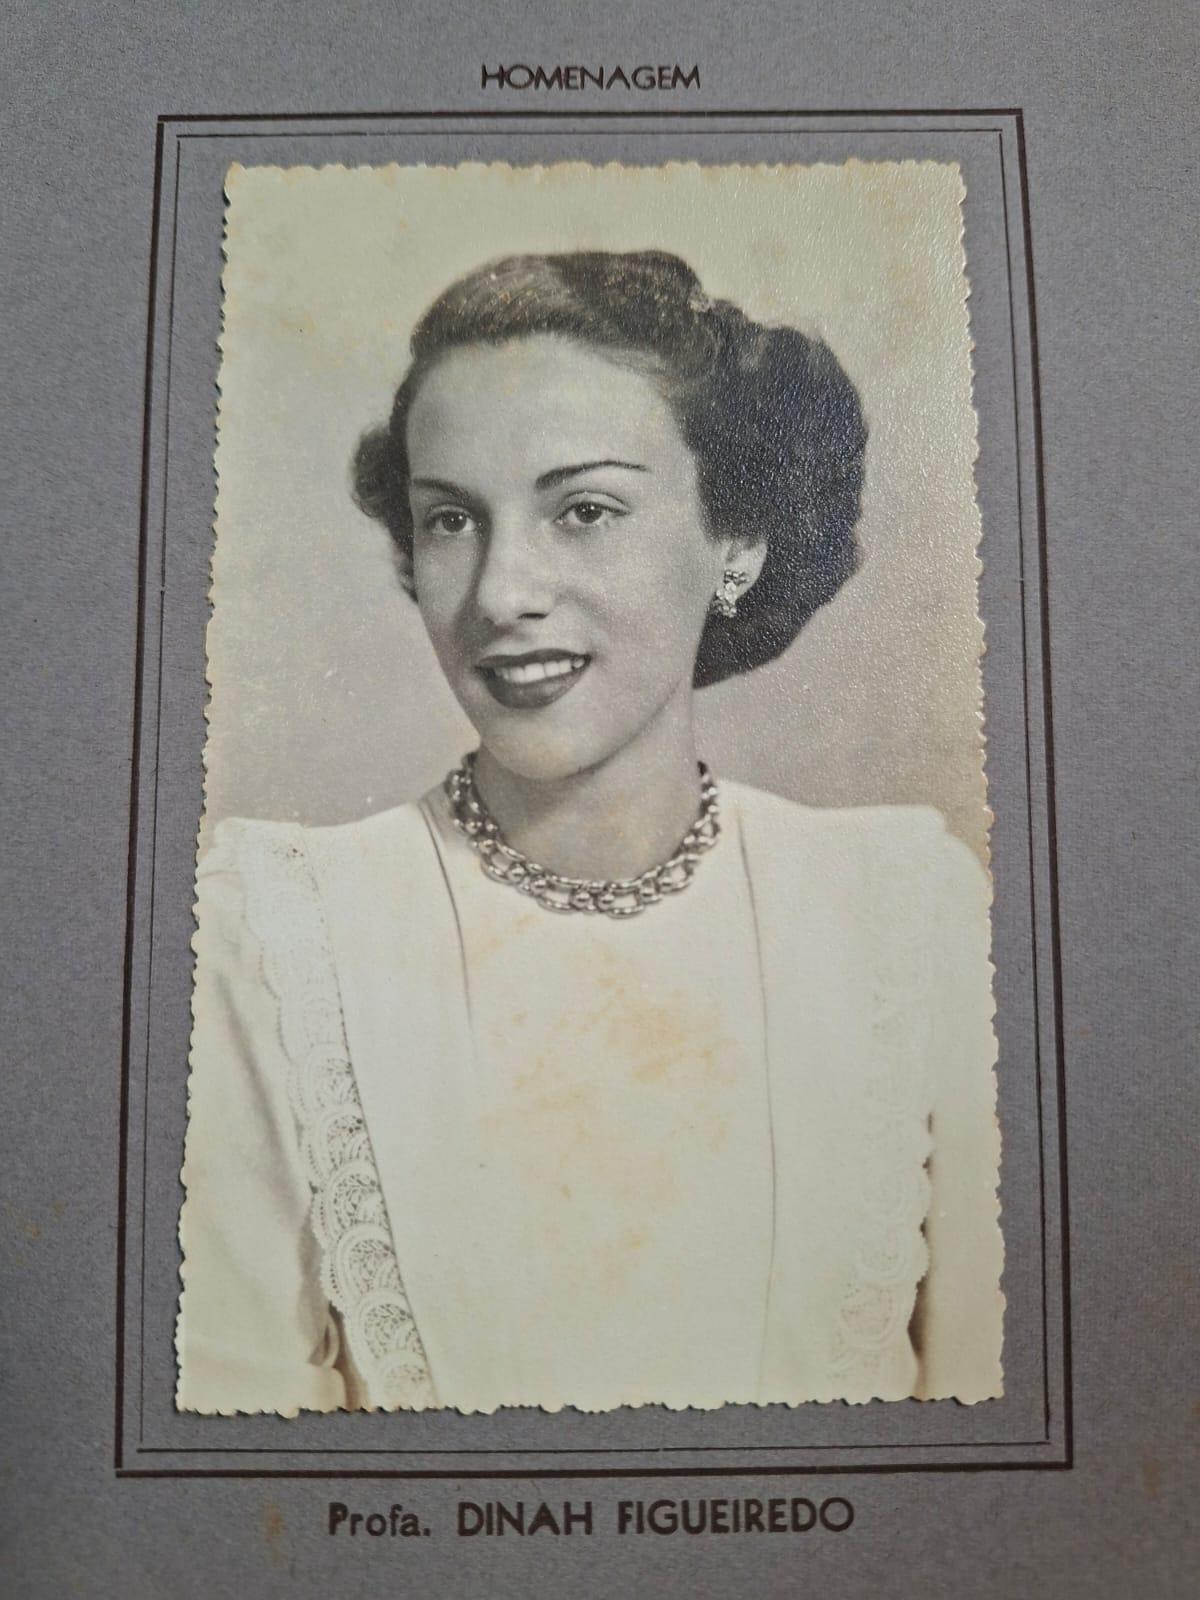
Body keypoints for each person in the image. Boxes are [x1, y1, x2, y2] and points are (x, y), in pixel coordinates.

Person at [177, 250, 1002, 1417]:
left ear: (737, 540)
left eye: (585, 511)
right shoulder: (270, 931)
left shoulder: (906, 907)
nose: (500, 592)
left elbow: (997, 1437)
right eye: (452, 519)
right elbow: (233, 1464)